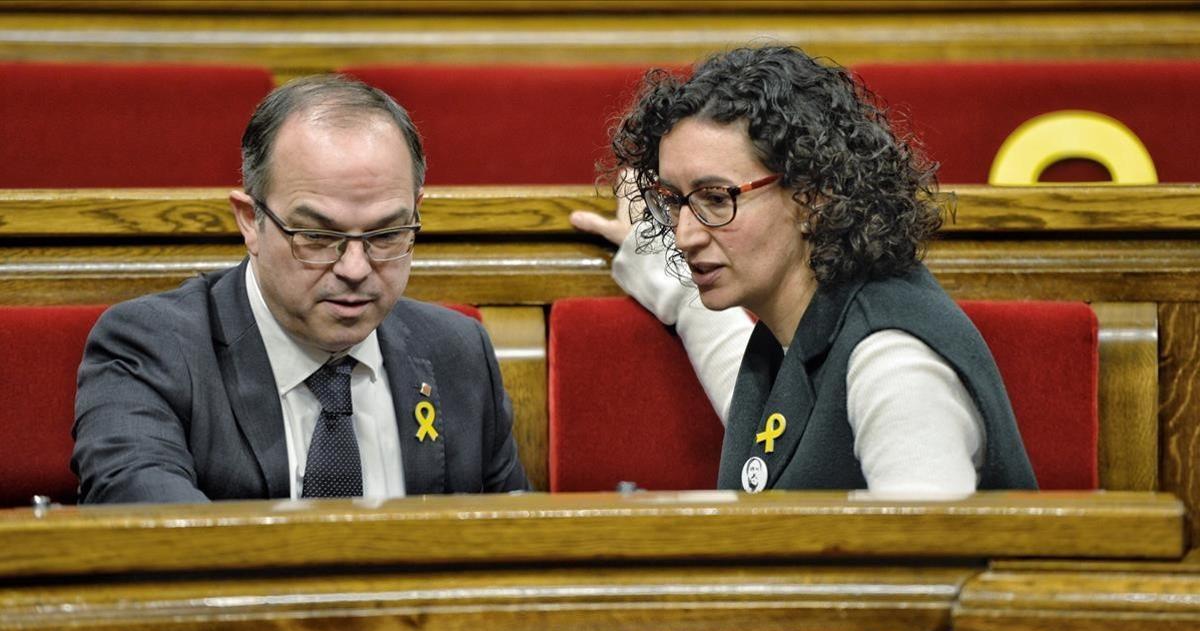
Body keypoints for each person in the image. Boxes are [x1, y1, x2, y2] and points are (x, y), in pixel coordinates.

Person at [571, 45, 1037, 494]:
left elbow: (926, 569)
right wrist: (653, 261)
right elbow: (777, 425)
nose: (685, 235)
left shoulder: (893, 366)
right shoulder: (804, 327)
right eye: (674, 201)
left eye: (716, 199)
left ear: (814, 197)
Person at [72, 75, 529, 503]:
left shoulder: (457, 352)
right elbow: (156, 537)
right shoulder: (152, 350)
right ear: (251, 221)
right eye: (318, 237)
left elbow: (516, 548)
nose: (355, 268)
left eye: (386, 235)